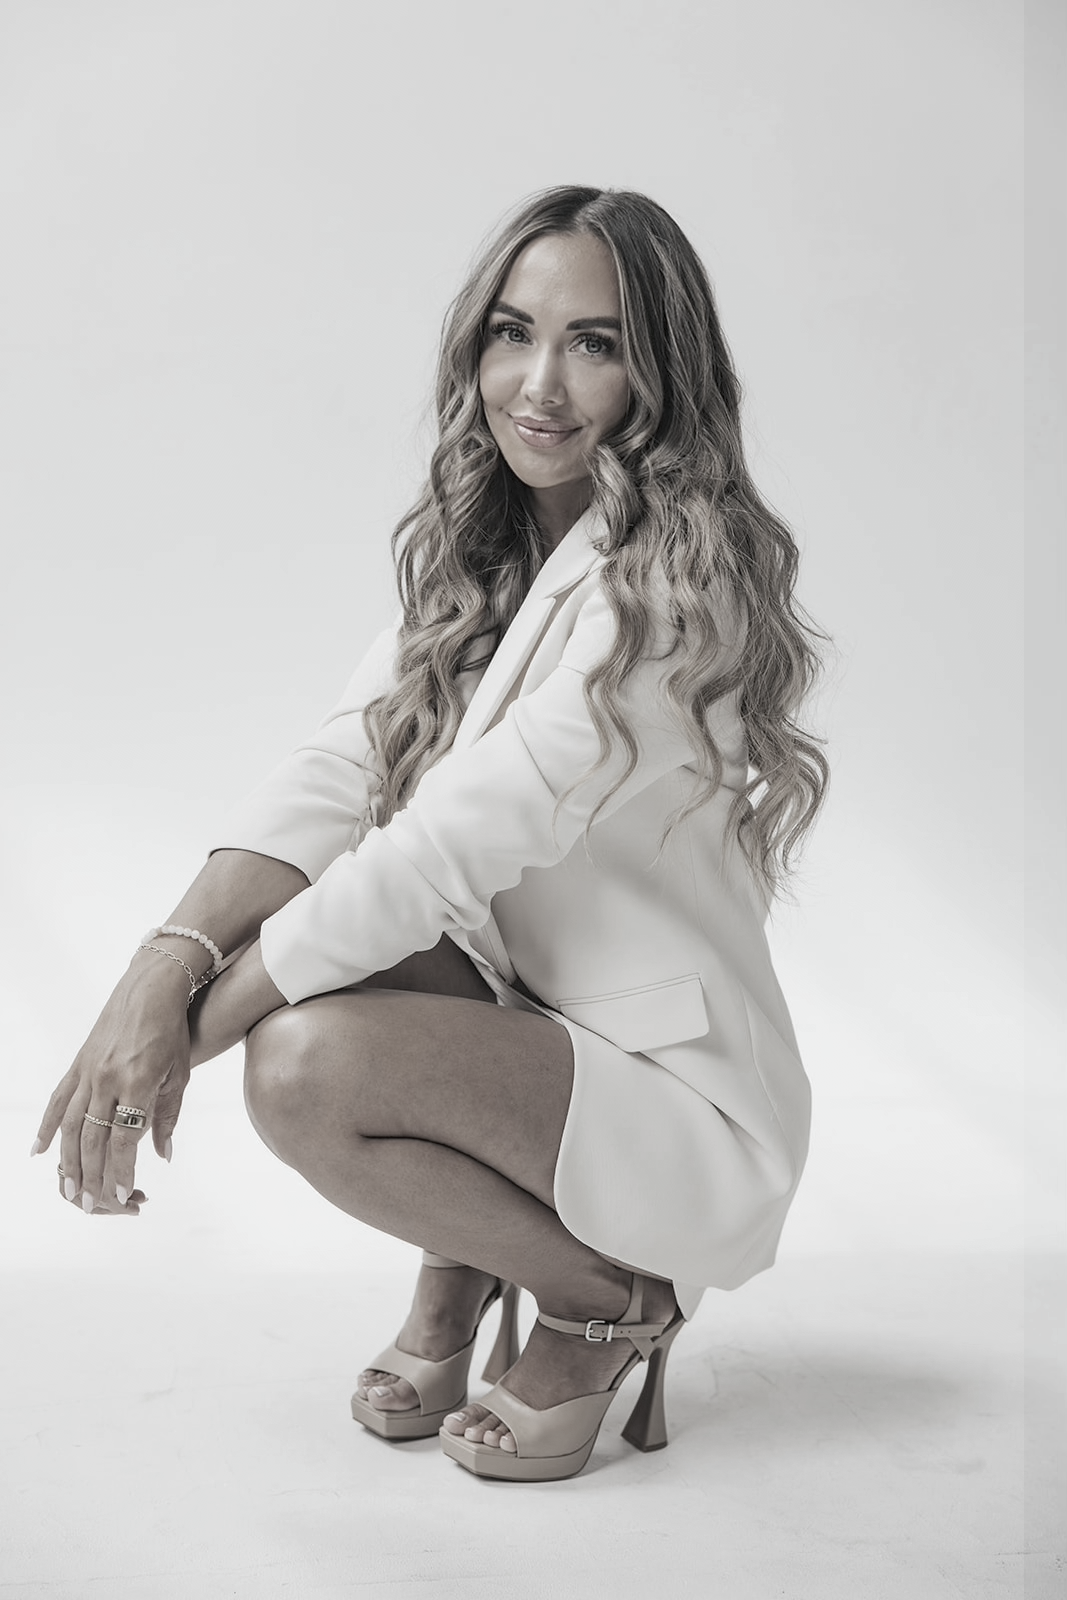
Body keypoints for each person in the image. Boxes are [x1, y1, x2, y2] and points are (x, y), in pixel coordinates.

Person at [32, 185, 827, 1483]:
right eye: (514, 332)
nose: (540, 383)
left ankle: (609, 1299)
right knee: (333, 952)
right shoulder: (505, 541)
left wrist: (175, 1046)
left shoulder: (672, 593)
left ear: (662, 370)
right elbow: (340, 764)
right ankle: (462, 1274)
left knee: (302, 1069)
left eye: (596, 341)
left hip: (670, 1097)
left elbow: (446, 846)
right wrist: (154, 968)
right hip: (527, 1022)